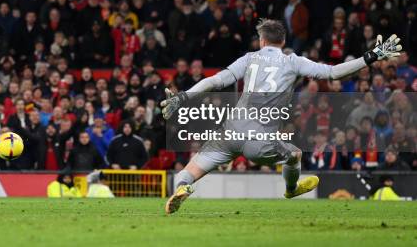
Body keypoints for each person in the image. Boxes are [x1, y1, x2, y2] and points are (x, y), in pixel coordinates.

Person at [161, 19, 402, 214]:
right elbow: (334, 72)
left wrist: (182, 97)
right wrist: (371, 56)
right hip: (259, 139)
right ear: (283, 41)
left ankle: (182, 187)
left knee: (192, 168)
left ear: (261, 40)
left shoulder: (249, 58)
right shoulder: (292, 61)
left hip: (230, 131)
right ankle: (291, 189)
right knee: (295, 154)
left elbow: (214, 81)